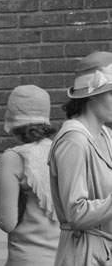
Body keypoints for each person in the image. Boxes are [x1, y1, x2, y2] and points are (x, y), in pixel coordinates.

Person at [48, 51, 112, 266]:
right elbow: (76, 214)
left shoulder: (107, 135)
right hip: (83, 254)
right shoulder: (73, 141)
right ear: (91, 95)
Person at [0, 85, 59, 266]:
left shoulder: (13, 157)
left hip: (26, 258)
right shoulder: (61, 151)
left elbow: (7, 223)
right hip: (64, 257)